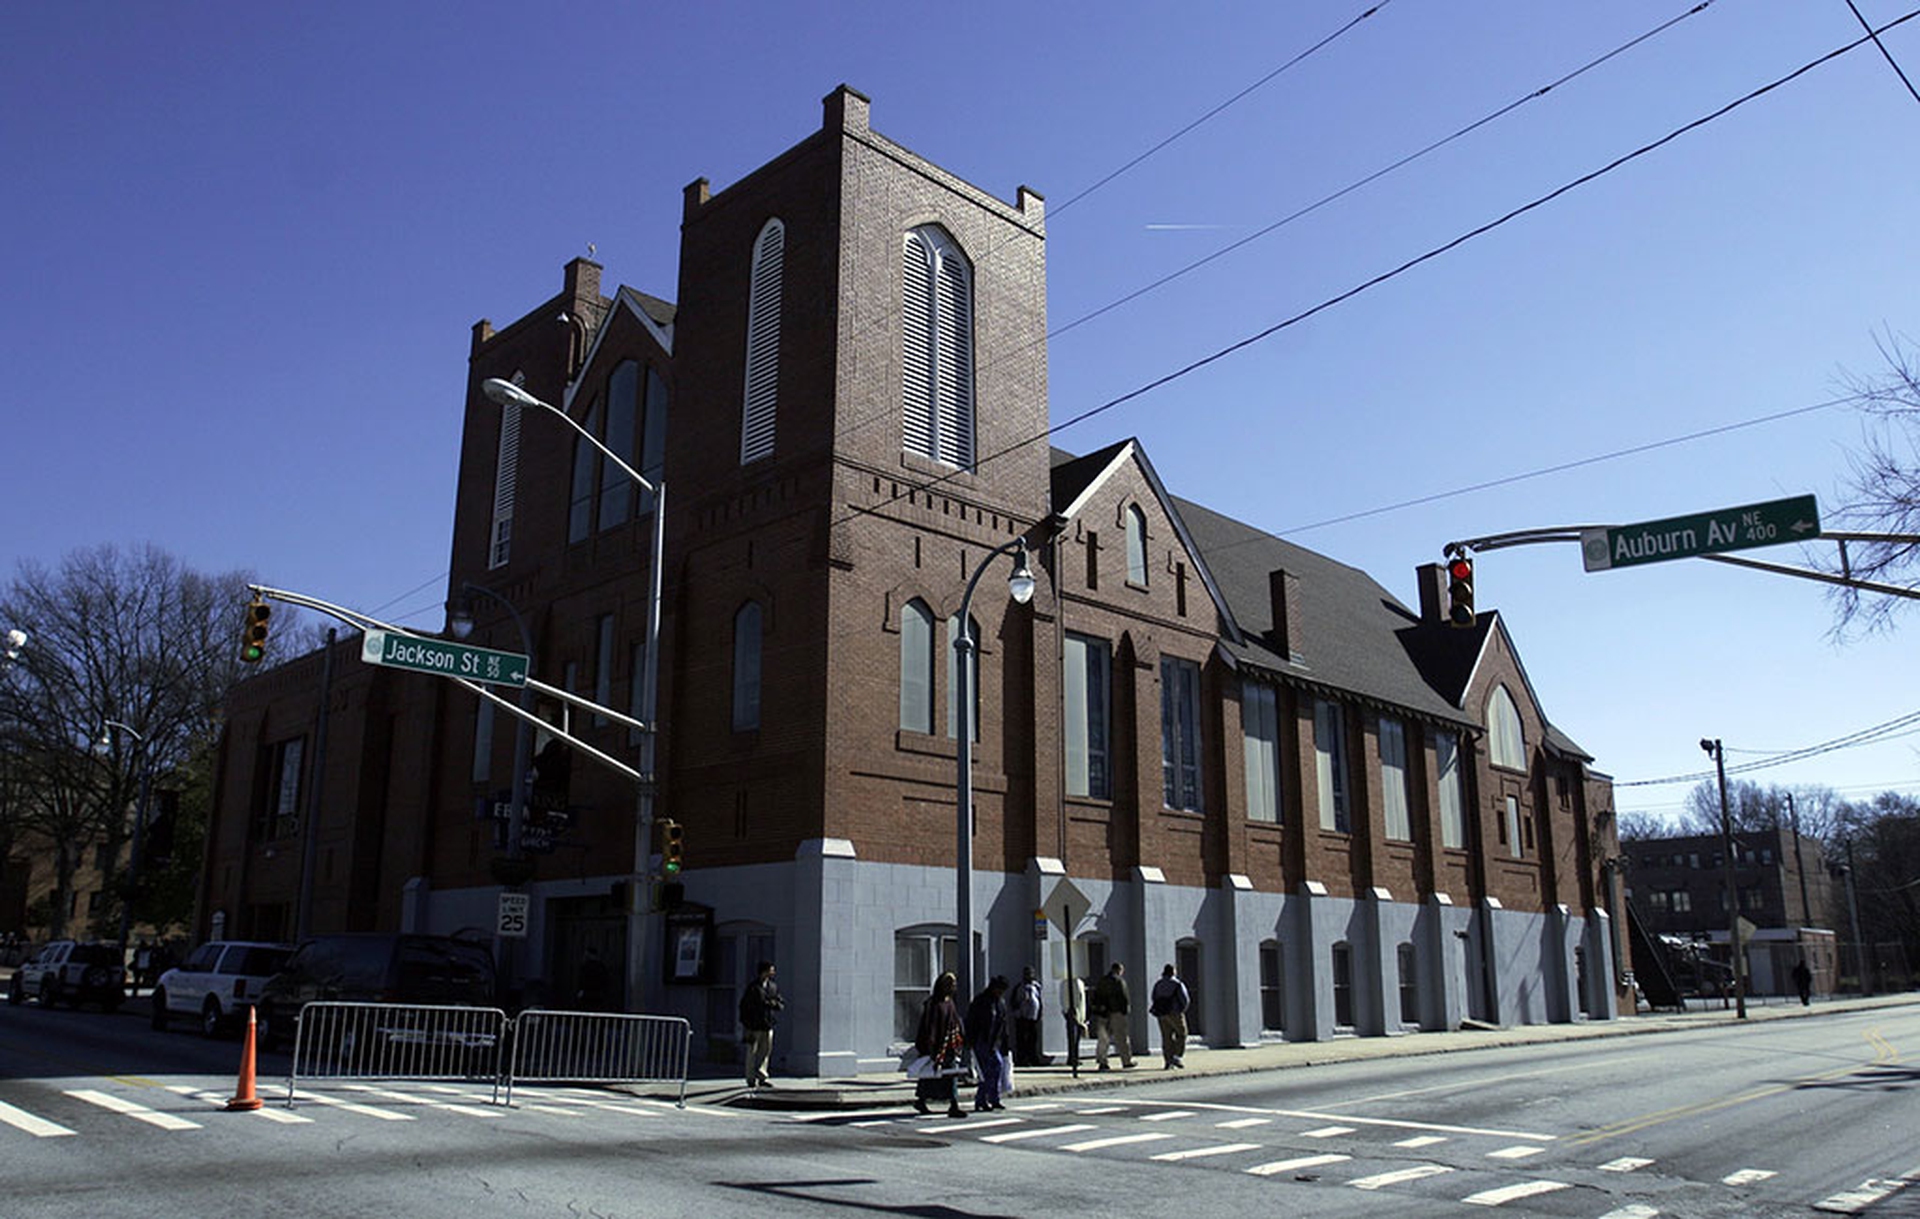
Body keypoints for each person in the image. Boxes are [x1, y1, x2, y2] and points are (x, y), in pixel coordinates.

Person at [912, 971, 968, 1118]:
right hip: (935, 1046)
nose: (952, 987)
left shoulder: (950, 1002)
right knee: (930, 1075)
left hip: (949, 1045)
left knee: (951, 1075)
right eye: (949, 984)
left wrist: (961, 1036)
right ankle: (921, 1100)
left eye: (954, 984)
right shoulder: (933, 1004)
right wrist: (930, 1047)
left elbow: (955, 1021)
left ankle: (953, 1104)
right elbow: (929, 1026)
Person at [965, 975, 1013, 1111]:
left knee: (996, 1068)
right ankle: (981, 1099)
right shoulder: (981, 1001)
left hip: (994, 1043)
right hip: (982, 1041)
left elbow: (1003, 1025)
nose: (1000, 992)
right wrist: (970, 1040)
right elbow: (971, 1021)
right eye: (999, 989)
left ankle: (993, 1098)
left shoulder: (1000, 1003)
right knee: (985, 1071)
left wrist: (1005, 1043)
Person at [738, 960, 783, 1088]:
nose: (773, 972)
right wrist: (745, 1023)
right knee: (752, 1052)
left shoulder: (773, 987)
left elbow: (780, 1002)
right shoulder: (753, 988)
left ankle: (762, 1076)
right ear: (764, 971)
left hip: (767, 1024)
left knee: (765, 1052)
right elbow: (744, 1006)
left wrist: (775, 1005)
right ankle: (750, 1078)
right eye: (771, 970)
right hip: (754, 1025)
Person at [1092, 962, 1134, 1070]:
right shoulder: (1119, 981)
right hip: (1117, 1012)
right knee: (1121, 1037)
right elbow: (1124, 997)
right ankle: (1126, 1061)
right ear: (1119, 970)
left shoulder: (1102, 981)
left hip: (1103, 1013)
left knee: (1103, 1039)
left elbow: (1096, 996)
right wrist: (1125, 1011)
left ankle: (1102, 1061)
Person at [1149, 963, 1190, 1069]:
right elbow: (1185, 999)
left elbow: (1153, 997)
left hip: (1162, 1014)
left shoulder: (1158, 984)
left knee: (1166, 1037)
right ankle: (1176, 1056)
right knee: (1182, 1034)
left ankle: (1168, 1061)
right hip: (1175, 1013)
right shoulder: (1177, 984)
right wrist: (1181, 1010)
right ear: (1173, 972)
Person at [1012, 966, 1045, 1067]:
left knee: (1033, 1039)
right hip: (1022, 1017)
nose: (1029, 976)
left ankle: (1033, 1058)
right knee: (1022, 1040)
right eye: (1027, 974)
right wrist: (1018, 1012)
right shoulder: (1019, 987)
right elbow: (1014, 1002)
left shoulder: (1036, 987)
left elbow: (1040, 1000)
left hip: (1033, 1017)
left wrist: (1040, 1013)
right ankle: (1022, 1059)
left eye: (1031, 974)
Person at [1060, 971, 1087, 1077]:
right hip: (1072, 1011)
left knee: (1076, 1038)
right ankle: (1072, 1058)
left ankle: (1075, 1057)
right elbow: (1066, 998)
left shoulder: (1079, 982)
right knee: (1073, 1037)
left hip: (1080, 1012)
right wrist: (1067, 1011)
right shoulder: (1067, 983)